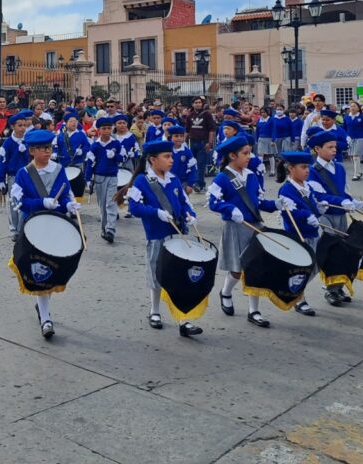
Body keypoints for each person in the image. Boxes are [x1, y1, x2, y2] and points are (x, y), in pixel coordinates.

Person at [8, 127, 79, 340]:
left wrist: (70, 206)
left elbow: (65, 194)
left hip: (54, 225)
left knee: (51, 269)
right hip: (33, 228)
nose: (47, 152)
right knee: (39, 271)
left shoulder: (58, 170)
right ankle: (46, 317)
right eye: (42, 149)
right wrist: (41, 202)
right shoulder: (23, 174)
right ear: (32, 151)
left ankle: (44, 310)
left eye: (49, 148)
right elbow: (18, 202)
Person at [127, 138, 202, 337]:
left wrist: (190, 215)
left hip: (178, 235)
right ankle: (155, 310)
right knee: (157, 274)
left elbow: (184, 202)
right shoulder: (142, 181)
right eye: (167, 157)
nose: (171, 160)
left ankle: (183, 319)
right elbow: (134, 207)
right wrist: (155, 213)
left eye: (171, 156)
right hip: (157, 235)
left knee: (179, 277)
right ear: (152, 159)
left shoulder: (174, 179)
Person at [208, 133, 284, 327]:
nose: (249, 157)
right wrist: (229, 209)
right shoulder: (222, 178)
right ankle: (225, 292)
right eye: (245, 153)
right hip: (236, 228)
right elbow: (214, 202)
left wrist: (276, 204)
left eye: (249, 153)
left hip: (254, 226)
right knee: (237, 270)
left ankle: (254, 310)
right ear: (233, 156)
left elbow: (258, 202)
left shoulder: (251, 176)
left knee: (254, 269)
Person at [304, 128, 363, 306]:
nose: (334, 150)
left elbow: (343, 192)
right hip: (324, 216)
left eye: (335, 147)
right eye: (330, 147)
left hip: (340, 214)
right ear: (317, 149)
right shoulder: (312, 170)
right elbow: (320, 196)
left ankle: (335, 288)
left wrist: (354, 202)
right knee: (324, 253)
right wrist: (342, 202)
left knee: (340, 253)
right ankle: (297, 291)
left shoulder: (339, 168)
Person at [276, 151, 323, 316]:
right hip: (297, 234)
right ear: (291, 168)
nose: (307, 171)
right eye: (303, 167)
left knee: (314, 268)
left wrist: (319, 208)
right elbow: (289, 212)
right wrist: (306, 216)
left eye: (308, 167)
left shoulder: (307, 186)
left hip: (312, 233)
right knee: (302, 269)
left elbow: (314, 203)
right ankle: (299, 298)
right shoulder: (286, 190)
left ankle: (295, 289)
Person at [84, 116, 122, 244]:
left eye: (108, 128)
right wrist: (88, 179)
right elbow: (90, 162)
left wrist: (115, 156)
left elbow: (123, 158)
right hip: (99, 177)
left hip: (112, 176)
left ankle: (110, 229)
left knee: (111, 203)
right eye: (103, 128)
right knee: (102, 205)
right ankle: (104, 228)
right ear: (99, 130)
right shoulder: (95, 146)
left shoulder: (116, 143)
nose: (106, 131)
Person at [0, 110, 32, 235]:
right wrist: (1, 179)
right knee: (14, 202)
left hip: (28, 175)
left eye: (24, 125)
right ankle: (14, 228)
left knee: (27, 201)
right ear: (13, 126)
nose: (23, 128)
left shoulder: (28, 140)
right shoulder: (8, 144)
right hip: (14, 176)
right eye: (20, 125)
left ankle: (24, 227)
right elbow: (3, 162)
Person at [52, 111, 90, 202]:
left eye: (76, 121)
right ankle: (66, 203)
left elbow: (87, 146)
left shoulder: (81, 134)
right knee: (65, 185)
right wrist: (54, 153)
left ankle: (77, 205)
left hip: (77, 163)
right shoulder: (60, 136)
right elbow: (55, 146)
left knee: (78, 185)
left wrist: (82, 151)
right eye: (71, 121)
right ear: (66, 123)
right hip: (64, 164)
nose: (74, 123)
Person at [168, 125, 198, 194]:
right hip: (169, 181)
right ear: (170, 137)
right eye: (176, 136)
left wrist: (190, 184)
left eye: (181, 136)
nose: (179, 138)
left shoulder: (187, 152)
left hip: (183, 182)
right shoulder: (167, 151)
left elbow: (193, 168)